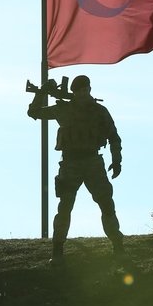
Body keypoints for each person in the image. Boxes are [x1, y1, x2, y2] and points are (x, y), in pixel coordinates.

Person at [28, 75, 126, 267]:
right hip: (70, 163)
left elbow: (114, 136)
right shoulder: (64, 109)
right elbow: (34, 112)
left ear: (89, 89)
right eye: (79, 91)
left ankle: (118, 247)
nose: (82, 94)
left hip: (92, 161)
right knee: (65, 207)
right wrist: (41, 92)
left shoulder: (99, 111)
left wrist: (117, 160)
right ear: (74, 92)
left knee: (106, 204)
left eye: (84, 90)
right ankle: (57, 251)